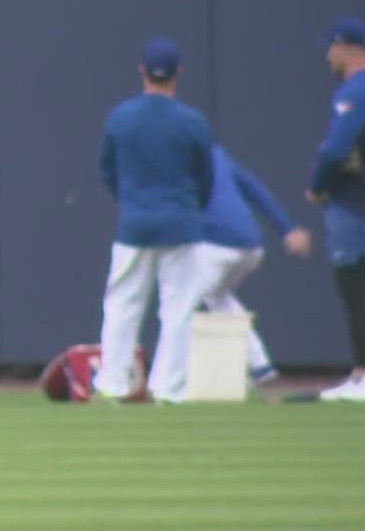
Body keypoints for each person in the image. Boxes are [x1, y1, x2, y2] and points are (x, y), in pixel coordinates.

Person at [95, 37, 216, 405]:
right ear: (178, 73)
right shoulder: (192, 121)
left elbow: (107, 170)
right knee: (178, 309)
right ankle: (169, 388)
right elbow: (205, 178)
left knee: (122, 306)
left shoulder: (121, 116)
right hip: (180, 223)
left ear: (142, 71)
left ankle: (113, 382)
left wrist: (130, 202)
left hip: (134, 224)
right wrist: (190, 209)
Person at [304, 17, 365, 402]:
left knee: (356, 282)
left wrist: (317, 185)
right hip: (363, 197)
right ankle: (361, 373)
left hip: (354, 198)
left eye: (331, 47)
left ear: (345, 47)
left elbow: (336, 147)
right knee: (350, 283)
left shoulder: (358, 87)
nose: (328, 55)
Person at [195, 142, 313, 387]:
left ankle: (169, 382)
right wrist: (286, 228)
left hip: (216, 244)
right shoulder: (212, 150)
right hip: (250, 245)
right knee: (217, 295)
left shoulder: (178, 154)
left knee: (179, 305)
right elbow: (253, 188)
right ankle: (260, 365)